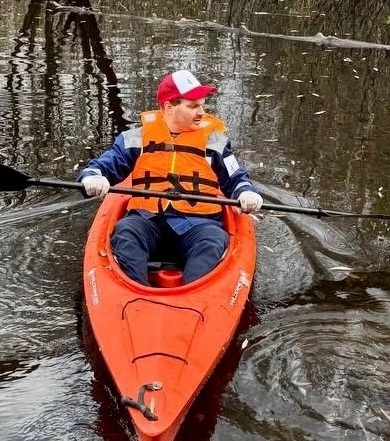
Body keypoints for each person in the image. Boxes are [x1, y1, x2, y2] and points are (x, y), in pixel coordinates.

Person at [77, 70, 263, 285]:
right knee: (126, 232)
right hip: (147, 220)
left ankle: (194, 300)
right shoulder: (136, 138)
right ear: (169, 107)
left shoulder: (215, 141)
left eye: (202, 105)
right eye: (192, 106)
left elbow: (235, 177)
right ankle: (136, 295)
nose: (201, 112)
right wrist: (93, 177)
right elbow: (103, 166)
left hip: (198, 224)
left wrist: (246, 191)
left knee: (212, 241)